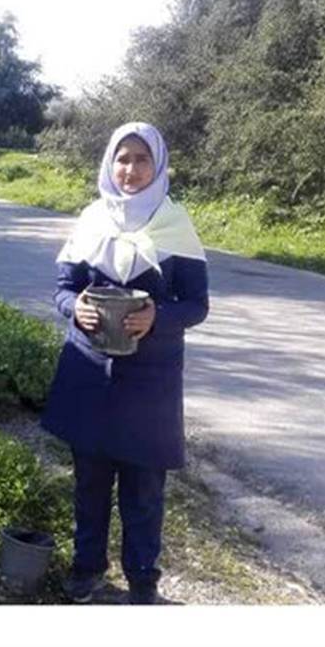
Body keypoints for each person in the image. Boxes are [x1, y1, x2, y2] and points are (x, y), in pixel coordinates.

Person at [40, 122, 209, 605]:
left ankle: (142, 581)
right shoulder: (93, 219)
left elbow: (196, 304)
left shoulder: (175, 225)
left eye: (141, 159)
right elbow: (63, 288)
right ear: (109, 164)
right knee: (89, 483)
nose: (130, 169)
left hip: (150, 382)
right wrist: (75, 308)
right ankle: (86, 568)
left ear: (158, 165)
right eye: (122, 158)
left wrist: (158, 317)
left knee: (144, 487)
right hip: (90, 372)